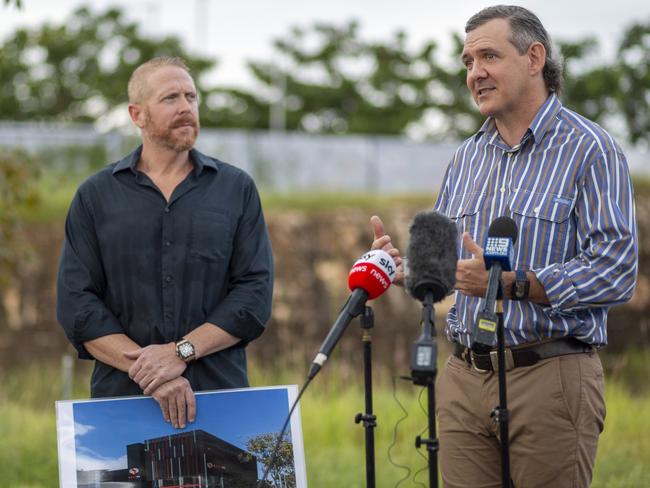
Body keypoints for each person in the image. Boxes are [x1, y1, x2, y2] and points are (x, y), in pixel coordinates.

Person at [371, 5, 637, 488]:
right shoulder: (465, 157)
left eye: (488, 56)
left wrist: (514, 284)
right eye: (468, 62)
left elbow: (616, 269)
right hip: (463, 377)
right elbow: (452, 261)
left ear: (534, 58)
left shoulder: (591, 148)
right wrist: (402, 266)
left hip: (549, 376)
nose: (475, 73)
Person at [57, 57, 273, 430]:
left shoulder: (236, 189)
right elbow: (78, 304)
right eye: (170, 98)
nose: (186, 107)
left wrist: (179, 353)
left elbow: (253, 295)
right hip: (122, 407)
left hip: (221, 403)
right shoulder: (96, 196)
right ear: (137, 114)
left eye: (191, 96)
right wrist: (155, 374)